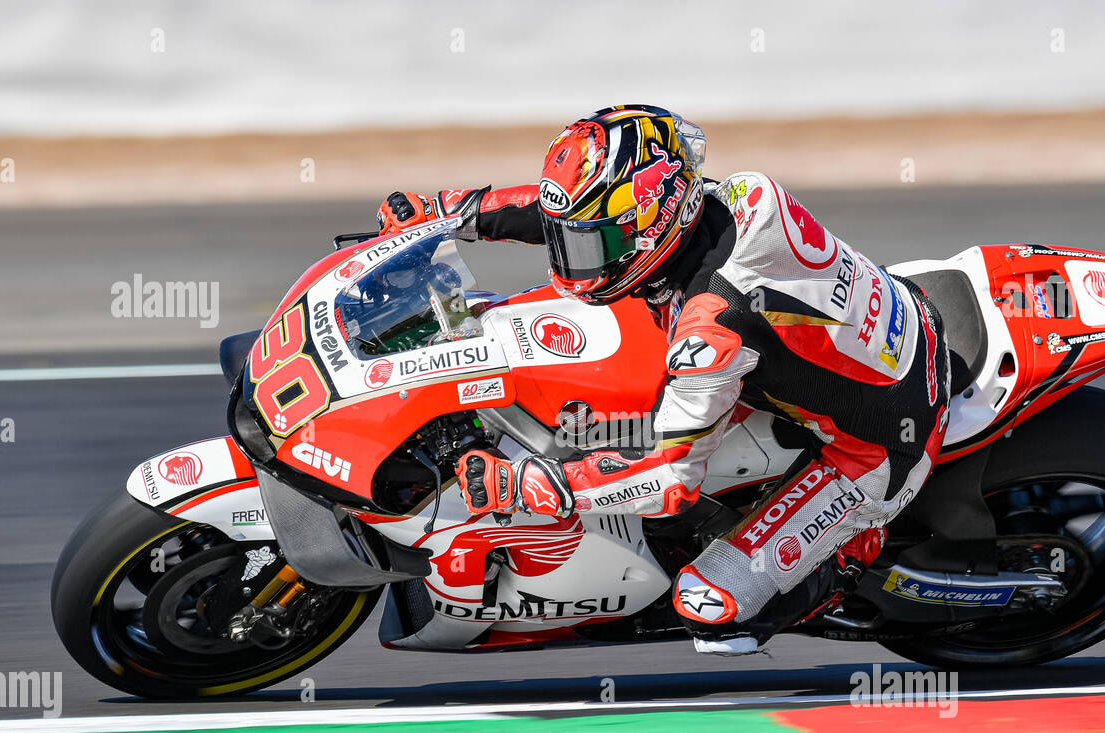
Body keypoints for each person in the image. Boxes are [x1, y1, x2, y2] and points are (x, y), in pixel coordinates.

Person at [376, 105, 950, 655]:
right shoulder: (720, 200)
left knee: (709, 604)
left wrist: (537, 484)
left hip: (877, 446)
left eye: (593, 245)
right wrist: (451, 210)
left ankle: (850, 550)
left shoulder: (712, 327)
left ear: (652, 226)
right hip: (854, 339)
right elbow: (566, 211)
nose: (576, 263)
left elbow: (673, 480)